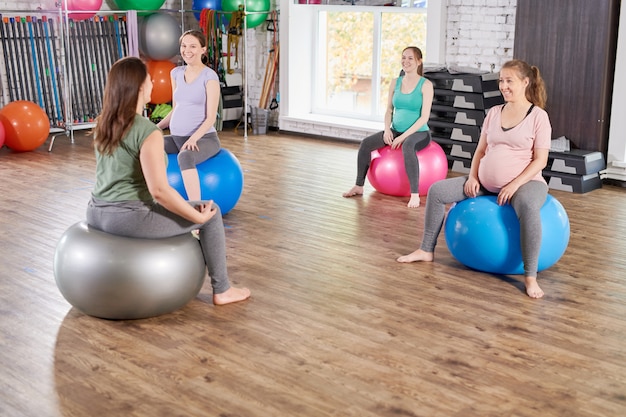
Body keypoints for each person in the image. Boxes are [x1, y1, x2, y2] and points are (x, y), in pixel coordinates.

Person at [87, 56, 250, 306]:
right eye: (149, 79)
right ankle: (223, 289)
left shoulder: (103, 123)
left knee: (190, 209)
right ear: (140, 87)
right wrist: (196, 217)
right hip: (128, 217)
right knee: (212, 212)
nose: (153, 83)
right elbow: (160, 191)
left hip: (96, 212)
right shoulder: (147, 131)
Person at [397, 59, 551, 299]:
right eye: (501, 80)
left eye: (509, 81)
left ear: (525, 82)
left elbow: (540, 160)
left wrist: (514, 184)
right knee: (437, 191)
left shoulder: (538, 117)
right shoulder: (494, 112)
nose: (503, 86)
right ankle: (426, 249)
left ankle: (530, 276)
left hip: (525, 184)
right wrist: (472, 177)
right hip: (485, 184)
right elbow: (480, 151)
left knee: (529, 207)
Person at [343, 46, 434, 208]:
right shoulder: (395, 82)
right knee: (366, 144)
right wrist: (387, 129)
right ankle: (359, 185)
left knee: (408, 146)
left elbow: (424, 118)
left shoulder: (425, 85)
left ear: (419, 61)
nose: (406, 61)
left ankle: (414, 194)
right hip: (395, 129)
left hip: (419, 133)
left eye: (410, 58)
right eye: (403, 57)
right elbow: (389, 110)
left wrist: (403, 136)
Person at [156, 30, 221, 201]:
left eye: (193, 46)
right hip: (178, 138)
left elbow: (211, 117)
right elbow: (176, 108)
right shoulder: (176, 73)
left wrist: (193, 139)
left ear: (203, 50)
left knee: (185, 156)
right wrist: (155, 128)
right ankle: (146, 199)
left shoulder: (210, 77)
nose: (187, 50)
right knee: (148, 145)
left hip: (204, 139)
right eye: (184, 46)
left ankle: (195, 209)